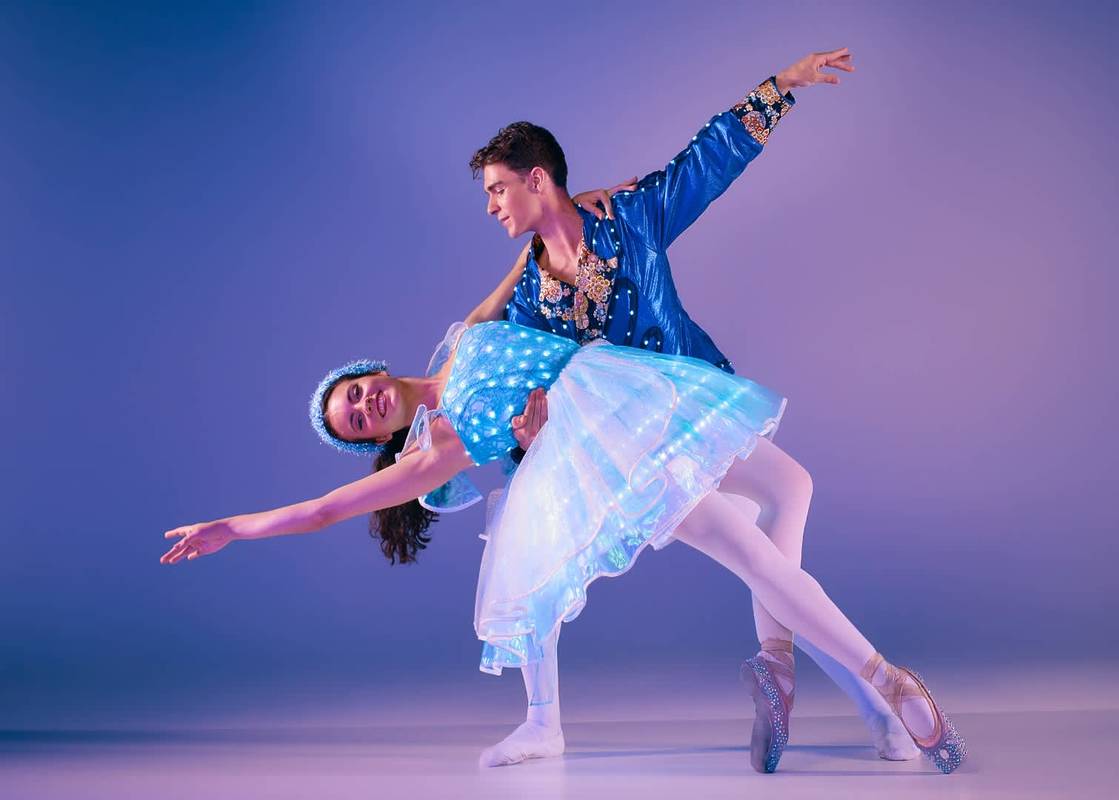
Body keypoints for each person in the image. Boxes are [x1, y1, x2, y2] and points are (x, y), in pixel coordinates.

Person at [160, 318, 967, 776]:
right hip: (615, 459)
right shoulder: (431, 451)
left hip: (640, 401)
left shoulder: (462, 334)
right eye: (357, 421)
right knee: (758, 558)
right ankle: (883, 687)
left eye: (354, 393)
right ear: (377, 435)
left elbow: (534, 254)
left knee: (790, 493)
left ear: (369, 368)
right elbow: (328, 509)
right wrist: (236, 527)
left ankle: (790, 665)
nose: (365, 405)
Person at [463, 46, 918, 768]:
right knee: (767, 564)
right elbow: (484, 350)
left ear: (537, 179)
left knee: (788, 504)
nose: (490, 206)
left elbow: (708, 161)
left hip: (699, 409)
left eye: (497, 190)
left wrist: (782, 87)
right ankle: (873, 698)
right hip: (639, 459)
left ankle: (800, 676)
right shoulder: (528, 300)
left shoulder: (631, 218)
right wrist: (528, 421)